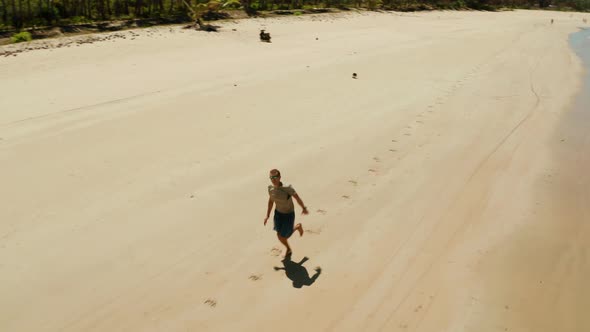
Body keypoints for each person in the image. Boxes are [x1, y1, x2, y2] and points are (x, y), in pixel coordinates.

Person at [264, 169, 308, 257]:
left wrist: (303, 208)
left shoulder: (287, 188)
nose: (273, 179)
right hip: (278, 215)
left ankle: (289, 247)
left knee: (282, 236)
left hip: (288, 215)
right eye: (271, 177)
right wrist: (267, 215)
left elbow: (297, 198)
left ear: (280, 177)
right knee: (279, 234)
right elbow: (271, 201)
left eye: (275, 177)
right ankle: (296, 230)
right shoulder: (271, 188)